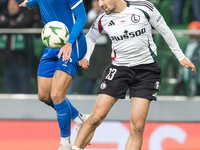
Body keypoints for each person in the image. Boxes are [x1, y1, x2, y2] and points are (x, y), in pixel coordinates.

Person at [72, 0, 196, 149]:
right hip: (119, 69)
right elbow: (91, 37)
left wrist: (180, 56)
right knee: (95, 117)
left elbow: (164, 30)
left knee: (137, 127)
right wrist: (86, 56)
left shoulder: (144, 7)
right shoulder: (102, 17)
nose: (101, 4)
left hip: (147, 71)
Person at [19, 0, 88, 149]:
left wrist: (69, 42)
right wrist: (30, 3)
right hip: (53, 46)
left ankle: (65, 143)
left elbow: (82, 17)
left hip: (72, 44)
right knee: (44, 95)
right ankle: (80, 118)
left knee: (57, 95)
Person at [0, 0, 33, 93]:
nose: (11, 7)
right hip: (6, 58)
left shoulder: (25, 16)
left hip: (22, 59)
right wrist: (10, 24)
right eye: (9, 4)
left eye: (14, 4)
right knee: (10, 88)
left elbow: (27, 22)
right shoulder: (3, 17)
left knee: (24, 89)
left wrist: (10, 25)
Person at [175, 21, 200, 96]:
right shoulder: (186, 46)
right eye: (191, 29)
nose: (193, 31)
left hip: (197, 81)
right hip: (185, 80)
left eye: (196, 29)